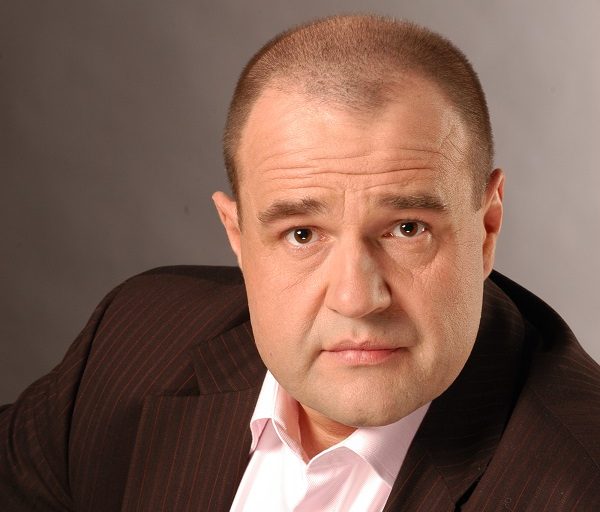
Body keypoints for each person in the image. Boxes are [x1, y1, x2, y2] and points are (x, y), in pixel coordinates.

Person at [1, 14, 599, 512]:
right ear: (237, 236)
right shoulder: (133, 342)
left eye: (407, 228)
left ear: (487, 227)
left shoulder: (578, 481)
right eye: (302, 234)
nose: (356, 298)